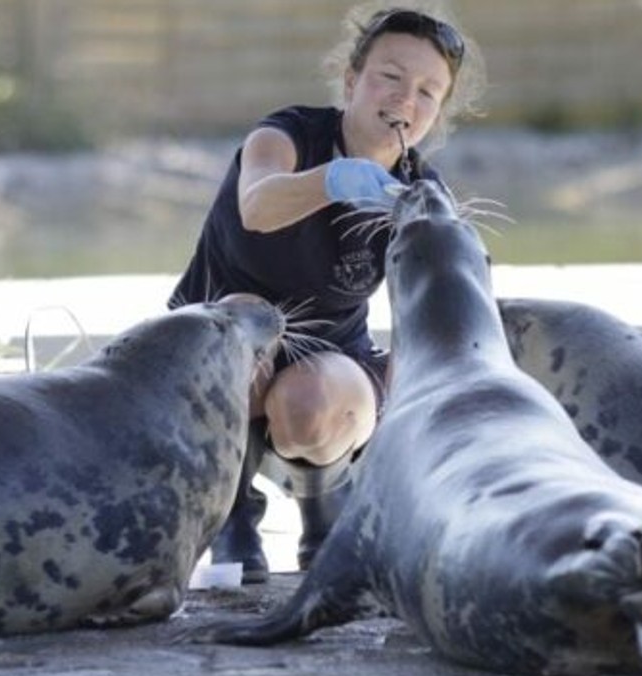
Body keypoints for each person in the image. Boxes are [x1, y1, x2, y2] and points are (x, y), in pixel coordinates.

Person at [168, 2, 485, 584]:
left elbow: (437, 315)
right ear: (351, 81)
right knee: (242, 322)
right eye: (390, 77)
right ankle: (231, 511)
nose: (404, 101)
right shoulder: (286, 135)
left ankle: (325, 504)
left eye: (426, 92)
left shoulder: (419, 191)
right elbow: (257, 205)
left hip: (329, 357)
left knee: (312, 406)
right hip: (221, 344)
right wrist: (333, 181)